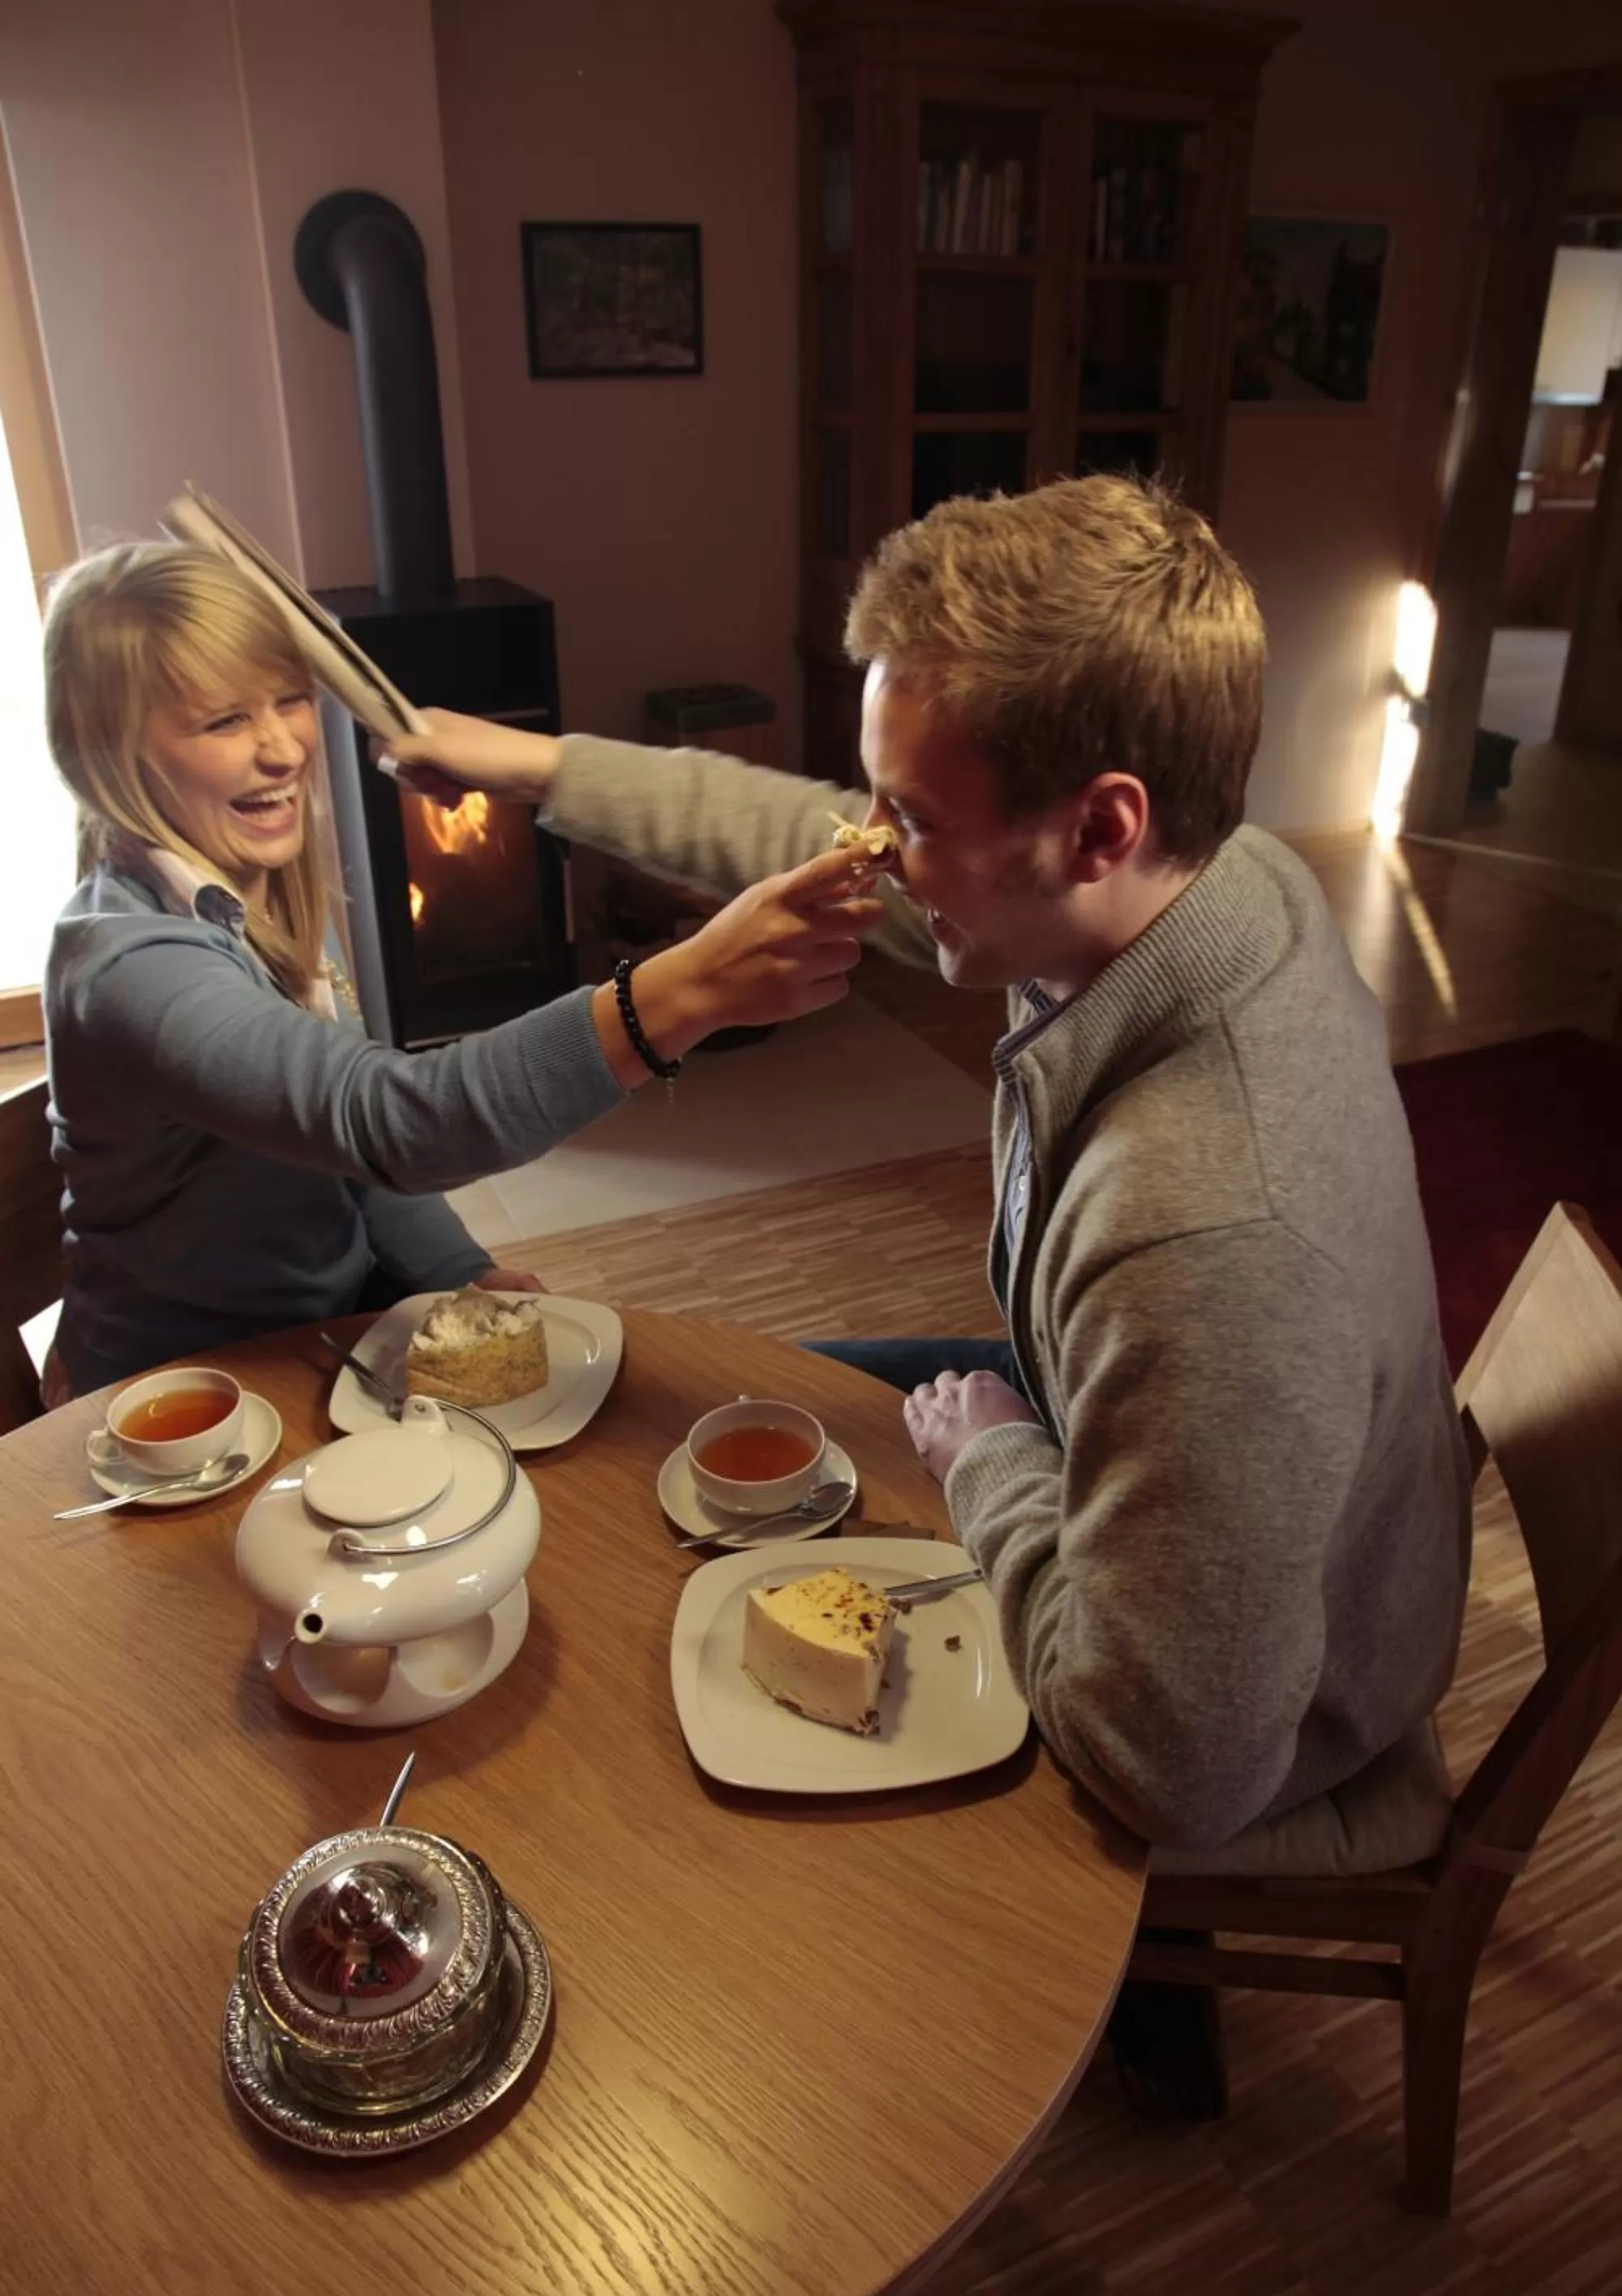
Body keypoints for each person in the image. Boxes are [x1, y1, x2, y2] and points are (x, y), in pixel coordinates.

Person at [378, 474, 1471, 1873]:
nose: (872, 855)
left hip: (1261, 1723)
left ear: (1097, 828)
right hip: (1161, 1470)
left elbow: (1176, 1770)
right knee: (739, 1412)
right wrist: (535, 773)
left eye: (912, 823)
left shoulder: (1209, 1231)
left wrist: (997, 1466)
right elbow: (805, 829)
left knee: (748, 1817)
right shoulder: (1215, 876)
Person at [41, 543, 884, 1394]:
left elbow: (345, 1158)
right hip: (175, 1397)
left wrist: (456, 1269)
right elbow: (395, 1122)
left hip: (317, 1341)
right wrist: (678, 992)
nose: (284, 749)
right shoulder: (130, 969)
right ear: (101, 751)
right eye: (224, 721)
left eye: (290, 701)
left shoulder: (260, 904)